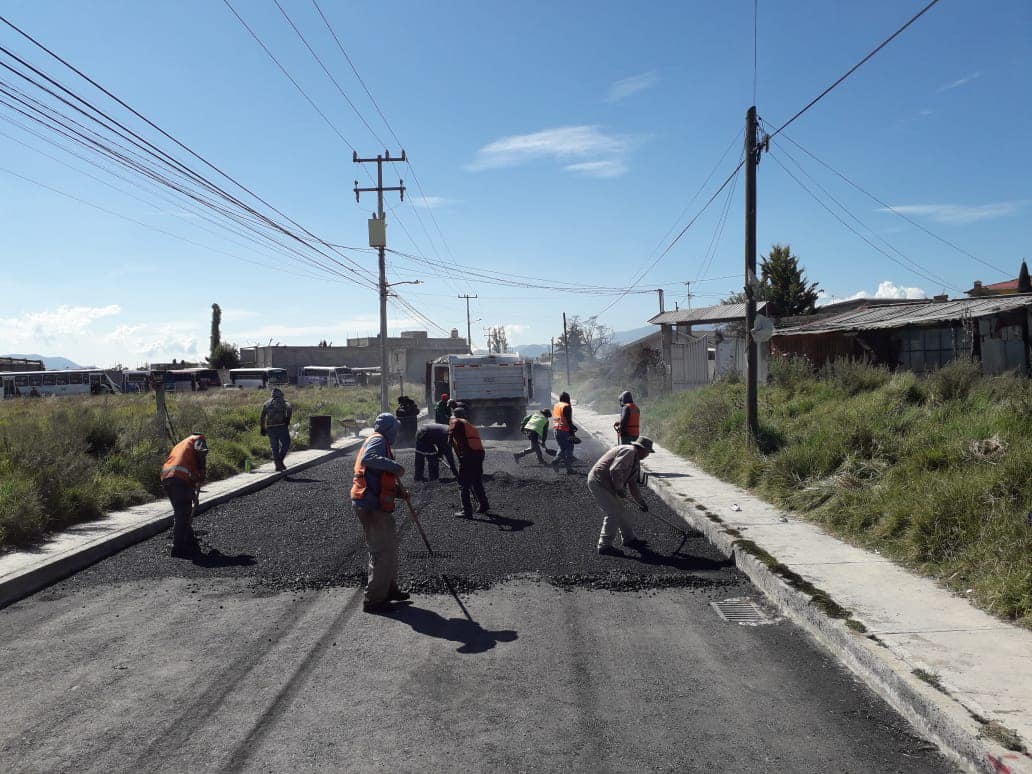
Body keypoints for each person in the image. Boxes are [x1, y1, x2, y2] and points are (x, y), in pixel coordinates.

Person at [351, 413, 411, 613]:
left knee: (390, 548)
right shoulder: (377, 440)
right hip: (370, 505)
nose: (397, 432)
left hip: (376, 503)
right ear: (389, 428)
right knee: (381, 551)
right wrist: (395, 466)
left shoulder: (382, 442)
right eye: (396, 428)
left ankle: (389, 589)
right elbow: (369, 459)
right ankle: (375, 600)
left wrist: (399, 493)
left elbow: (378, 478)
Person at [589, 436, 654, 555]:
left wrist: (641, 502)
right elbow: (615, 470)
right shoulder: (629, 451)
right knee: (613, 512)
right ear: (641, 449)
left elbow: (633, 484)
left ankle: (629, 539)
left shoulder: (635, 461)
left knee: (621, 510)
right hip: (599, 482)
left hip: (610, 484)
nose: (648, 455)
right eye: (647, 452)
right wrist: (619, 488)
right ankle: (604, 546)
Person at [160, 432, 209, 558]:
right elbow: (201, 451)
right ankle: (178, 548)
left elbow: (186, 474)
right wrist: (202, 470)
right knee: (182, 512)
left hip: (167, 478)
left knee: (183, 510)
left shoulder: (182, 444)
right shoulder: (198, 439)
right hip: (179, 478)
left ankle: (188, 538)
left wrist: (192, 496)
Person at [449, 406, 489, 517]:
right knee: (476, 481)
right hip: (479, 454)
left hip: (468, 455)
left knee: (463, 484)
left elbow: (450, 439)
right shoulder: (470, 426)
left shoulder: (456, 422)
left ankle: (467, 511)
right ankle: (483, 504)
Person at [260, 388, 293, 472]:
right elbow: (289, 408)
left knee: (274, 448)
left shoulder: (266, 403)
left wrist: (262, 428)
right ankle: (280, 461)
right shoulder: (284, 402)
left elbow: (262, 417)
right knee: (286, 443)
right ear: (280, 394)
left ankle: (278, 465)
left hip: (270, 428)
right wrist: (287, 419)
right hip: (282, 426)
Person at [551, 391, 578, 473]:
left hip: (556, 430)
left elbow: (560, 418)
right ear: (567, 398)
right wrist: (572, 431)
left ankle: (555, 461)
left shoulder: (556, 405)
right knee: (569, 448)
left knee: (562, 448)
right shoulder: (567, 406)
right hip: (565, 430)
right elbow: (568, 420)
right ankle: (569, 469)